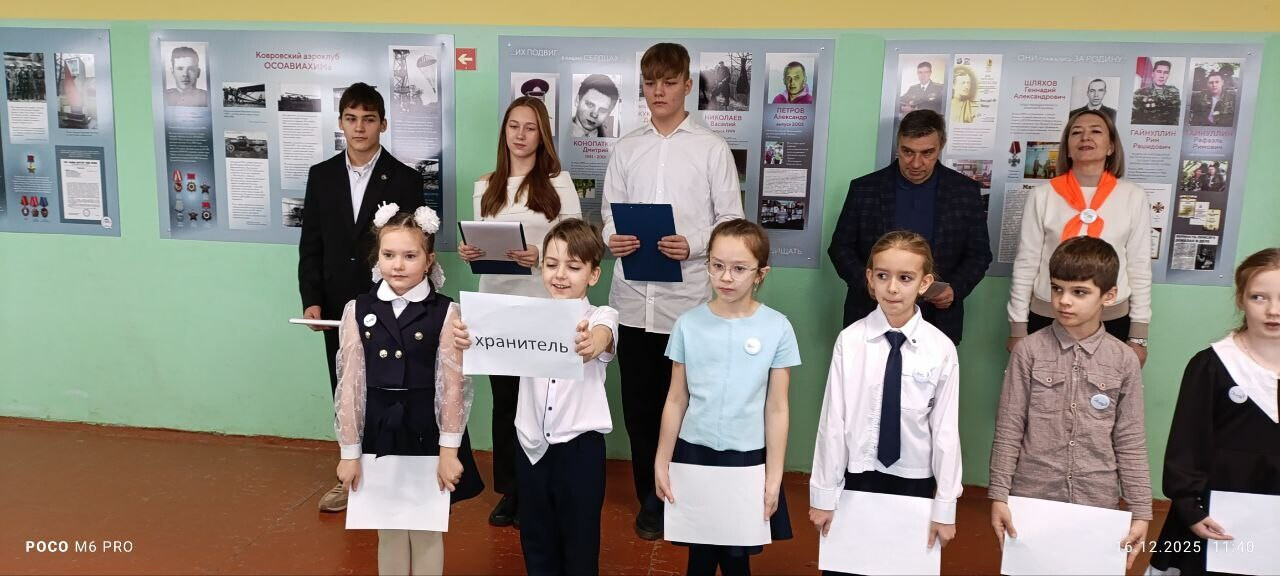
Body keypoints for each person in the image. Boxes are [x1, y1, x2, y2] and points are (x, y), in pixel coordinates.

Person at [601, 42, 744, 540]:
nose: (658, 91)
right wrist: (611, 238)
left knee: (687, 408)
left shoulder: (711, 148)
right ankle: (652, 500)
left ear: (687, 85)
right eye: (649, 82)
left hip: (687, 306)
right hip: (632, 302)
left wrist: (695, 243)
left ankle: (686, 497)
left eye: (668, 82)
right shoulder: (626, 147)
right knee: (640, 410)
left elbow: (731, 222)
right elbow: (608, 215)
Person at [452, 219, 617, 575]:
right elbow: (482, 337)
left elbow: (603, 337)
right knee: (536, 539)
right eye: (552, 264)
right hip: (530, 446)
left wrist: (592, 342)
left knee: (580, 541)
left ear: (593, 275)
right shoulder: (523, 317)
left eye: (574, 267)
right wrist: (467, 337)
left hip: (580, 449)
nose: (561, 275)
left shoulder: (600, 316)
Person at [333, 205, 483, 576]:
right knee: (389, 530)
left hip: (426, 432)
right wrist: (349, 452)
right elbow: (349, 385)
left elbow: (453, 386)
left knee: (427, 530)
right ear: (377, 257)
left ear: (429, 260)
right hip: (379, 433)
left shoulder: (446, 312)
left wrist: (448, 451)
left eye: (410, 256)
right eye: (388, 255)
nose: (398, 265)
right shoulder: (358, 309)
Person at [989, 236, 1152, 571]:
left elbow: (1130, 440)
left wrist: (1141, 510)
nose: (1064, 301)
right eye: (1057, 288)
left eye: (1079, 292)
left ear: (1109, 296)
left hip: (1098, 501)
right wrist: (999, 495)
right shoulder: (1028, 351)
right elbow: (1009, 429)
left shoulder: (1124, 360)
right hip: (1032, 498)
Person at [299, 82, 425, 512]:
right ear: (340, 122)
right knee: (346, 390)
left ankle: (392, 477)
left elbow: (416, 248)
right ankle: (348, 476)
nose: (359, 127)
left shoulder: (406, 179)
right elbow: (311, 245)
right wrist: (312, 298)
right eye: (351, 119)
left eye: (368, 119)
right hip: (337, 305)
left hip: (390, 304)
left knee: (391, 389)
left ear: (382, 124)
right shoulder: (321, 176)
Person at [457, 96, 581, 528]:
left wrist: (541, 254)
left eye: (530, 127)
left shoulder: (558, 183)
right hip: (496, 306)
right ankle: (512, 491)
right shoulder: (486, 185)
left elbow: (577, 241)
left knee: (544, 399)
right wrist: (470, 252)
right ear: (504, 131)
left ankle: (543, 487)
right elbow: (483, 240)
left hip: (544, 306)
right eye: (514, 126)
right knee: (506, 401)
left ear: (542, 134)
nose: (521, 135)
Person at [810, 231, 962, 571]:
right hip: (856, 476)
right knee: (848, 567)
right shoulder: (850, 341)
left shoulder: (941, 349)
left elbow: (946, 432)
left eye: (905, 278)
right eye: (883, 276)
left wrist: (945, 505)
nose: (892, 288)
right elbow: (833, 422)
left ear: (924, 283)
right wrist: (823, 494)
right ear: (870, 278)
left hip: (914, 481)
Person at [654, 219, 799, 576]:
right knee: (699, 557)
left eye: (739, 268)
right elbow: (676, 398)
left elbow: (777, 408)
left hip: (746, 459)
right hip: (694, 453)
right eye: (717, 265)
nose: (726, 277)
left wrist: (774, 476)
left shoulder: (777, 327)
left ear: (761, 273)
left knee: (737, 560)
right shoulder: (688, 324)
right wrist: (662, 460)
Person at [1148, 247, 1280, 575]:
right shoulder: (1212, 365)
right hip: (1214, 514)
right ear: (1240, 299)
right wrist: (1191, 509)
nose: (1273, 310)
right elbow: (1187, 445)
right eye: (1259, 297)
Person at [828, 109, 992, 345]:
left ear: (941, 146)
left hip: (937, 319)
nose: (915, 163)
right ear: (898, 145)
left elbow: (979, 254)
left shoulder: (964, 191)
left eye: (927, 153)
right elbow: (840, 247)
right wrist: (868, 284)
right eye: (907, 152)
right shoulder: (865, 188)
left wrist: (955, 289)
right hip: (871, 312)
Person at [1007, 109, 1152, 365]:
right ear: (1067, 148)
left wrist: (1139, 335)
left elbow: (1139, 267)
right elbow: (1026, 263)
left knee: (1103, 388)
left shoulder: (1133, 196)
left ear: (1111, 147)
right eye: (1076, 132)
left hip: (1111, 318)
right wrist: (1018, 326)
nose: (1085, 137)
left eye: (1096, 131)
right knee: (1042, 388)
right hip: (1048, 314)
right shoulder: (1043, 195)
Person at [1131, 60, 1181, 125]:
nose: (1162, 76)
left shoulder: (1174, 91)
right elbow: (1134, 120)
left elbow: (1177, 116)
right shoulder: (1139, 93)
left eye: (1166, 72)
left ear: (1168, 75)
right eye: (1159, 72)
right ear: (1152, 74)